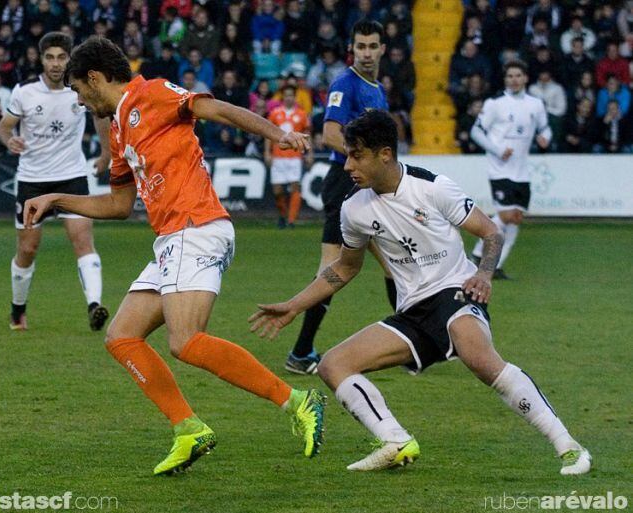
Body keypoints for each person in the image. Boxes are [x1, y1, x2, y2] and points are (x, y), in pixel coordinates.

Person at [22, 35, 326, 476]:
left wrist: (278, 133)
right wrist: (57, 200)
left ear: (93, 78)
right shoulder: (121, 129)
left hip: (196, 226)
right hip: (171, 239)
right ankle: (188, 429)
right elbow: (119, 205)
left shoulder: (154, 93)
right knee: (122, 335)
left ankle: (298, 401)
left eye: (77, 90)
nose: (80, 100)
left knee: (185, 340)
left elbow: (217, 108)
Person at [250, 110, 592, 476]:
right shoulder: (354, 208)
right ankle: (394, 440)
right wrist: (294, 306)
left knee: (480, 359)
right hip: (411, 313)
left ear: (384, 154)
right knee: (334, 364)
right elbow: (346, 268)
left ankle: (569, 447)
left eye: (356, 155)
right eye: (347, 154)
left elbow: (491, 233)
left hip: (454, 293)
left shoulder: (433, 187)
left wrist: (484, 274)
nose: (348, 164)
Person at [286, 19, 394, 376]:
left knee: (395, 262)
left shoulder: (376, 89)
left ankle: (414, 342)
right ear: (353, 48)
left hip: (367, 185)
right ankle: (301, 352)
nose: (366, 53)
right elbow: (330, 134)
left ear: (382, 49)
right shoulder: (345, 84)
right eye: (360, 46)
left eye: (372, 46)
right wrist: (363, 158)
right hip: (344, 183)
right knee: (332, 269)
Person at [0, 32, 112, 332]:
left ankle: (94, 305)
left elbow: (101, 117)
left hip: (72, 177)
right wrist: (10, 140)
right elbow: (4, 126)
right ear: (42, 59)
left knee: (83, 242)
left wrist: (105, 153)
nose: (56, 63)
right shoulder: (25, 92)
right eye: (50, 57)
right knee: (28, 250)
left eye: (62, 57)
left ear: (69, 59)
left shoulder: (80, 89)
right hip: (33, 181)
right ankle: (18, 309)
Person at [470, 59, 551, 280]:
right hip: (500, 169)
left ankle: (494, 266)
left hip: (522, 171)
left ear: (525, 78)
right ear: (505, 79)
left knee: (515, 218)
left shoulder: (535, 104)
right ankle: (478, 254)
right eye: (510, 76)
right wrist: (496, 150)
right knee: (506, 215)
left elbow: (545, 128)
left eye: (518, 75)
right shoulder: (494, 103)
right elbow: (476, 132)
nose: (514, 80)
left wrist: (545, 138)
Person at [265, 84, 309, 228]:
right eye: (286, 95)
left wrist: (310, 153)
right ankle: (283, 215)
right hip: (278, 156)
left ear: (294, 97)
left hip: (295, 157)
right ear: (283, 97)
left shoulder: (302, 114)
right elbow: (268, 134)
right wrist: (267, 152)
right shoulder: (275, 113)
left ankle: (291, 220)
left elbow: (308, 135)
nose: (289, 98)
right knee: (277, 191)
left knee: (295, 187)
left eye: (291, 95)